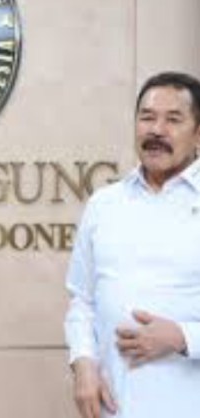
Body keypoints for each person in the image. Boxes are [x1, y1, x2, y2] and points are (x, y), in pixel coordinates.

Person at [65, 71, 200, 418]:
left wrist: (183, 337)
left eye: (173, 119)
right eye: (147, 117)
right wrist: (83, 363)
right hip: (115, 407)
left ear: (198, 133)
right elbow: (82, 300)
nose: (157, 130)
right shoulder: (104, 204)